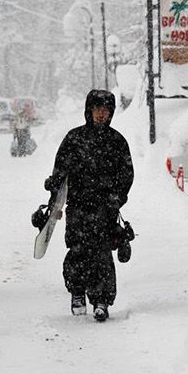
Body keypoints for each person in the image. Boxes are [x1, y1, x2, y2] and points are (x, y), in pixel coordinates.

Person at [45, 88, 134, 322]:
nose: (101, 114)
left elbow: (126, 173)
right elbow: (60, 171)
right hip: (78, 206)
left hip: (105, 208)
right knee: (78, 249)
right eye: (97, 109)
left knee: (103, 253)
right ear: (89, 111)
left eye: (105, 110)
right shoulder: (74, 139)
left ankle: (102, 300)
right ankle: (77, 291)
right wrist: (54, 199)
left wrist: (118, 197)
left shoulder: (117, 142)